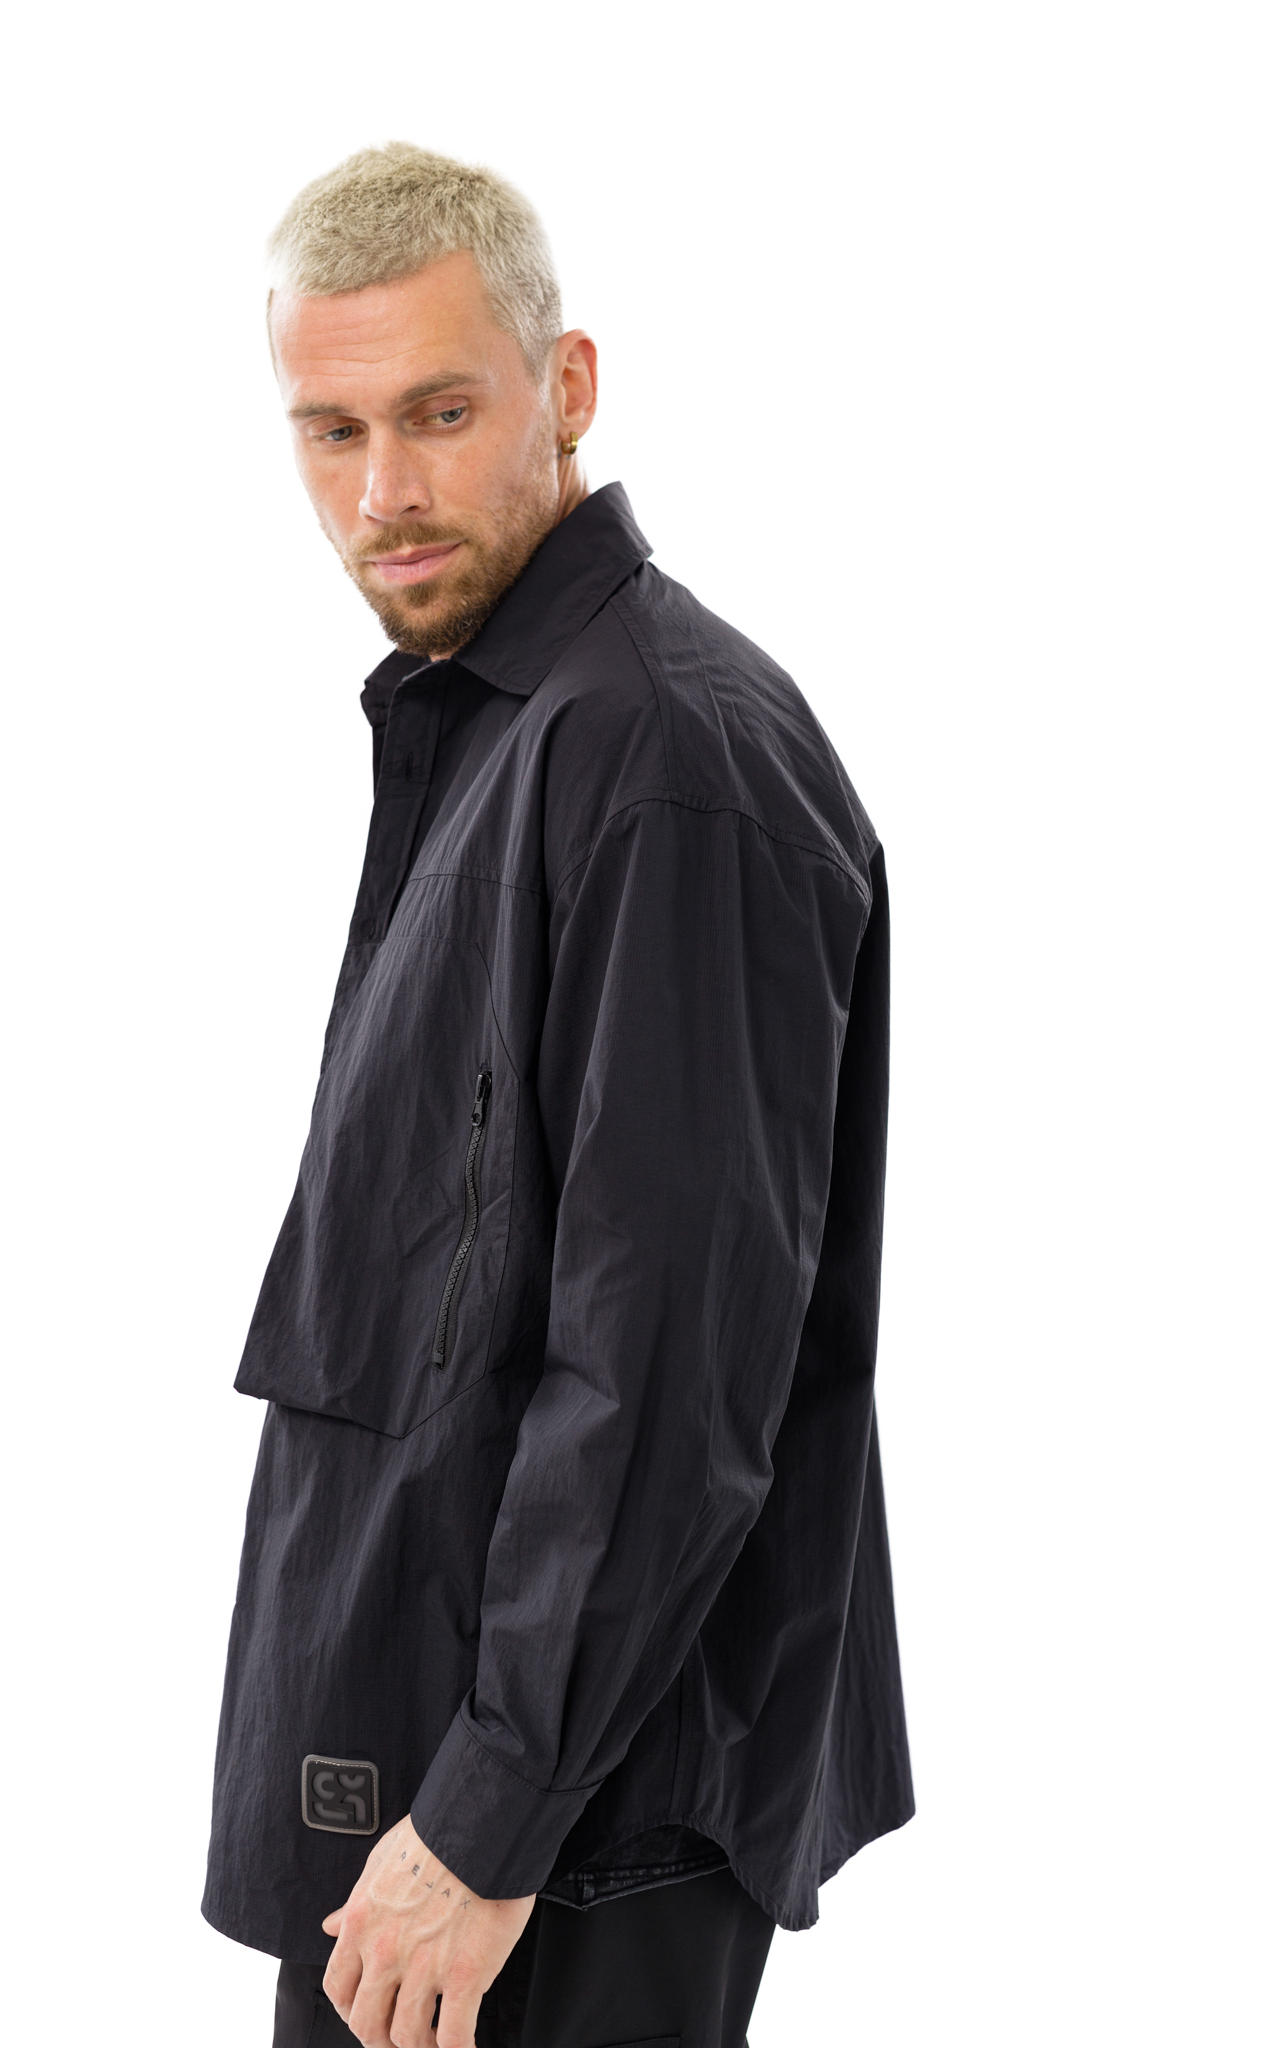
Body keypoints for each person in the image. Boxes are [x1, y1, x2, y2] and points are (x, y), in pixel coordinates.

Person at [201, 143, 913, 2048]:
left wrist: (486, 1819)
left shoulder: (666, 759)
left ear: (568, 385)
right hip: (437, 1768)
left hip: (561, 1830)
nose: (383, 492)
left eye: (440, 413)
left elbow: (667, 1365)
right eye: (332, 430)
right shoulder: (508, 725)